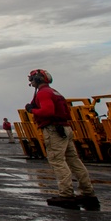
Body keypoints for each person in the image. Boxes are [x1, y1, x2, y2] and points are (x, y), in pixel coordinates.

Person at [26, 69, 99, 211]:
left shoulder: (43, 93)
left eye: (32, 79)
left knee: (57, 161)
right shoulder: (54, 92)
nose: (30, 82)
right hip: (65, 128)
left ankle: (66, 194)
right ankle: (88, 192)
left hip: (54, 130)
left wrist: (32, 110)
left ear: (38, 79)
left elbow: (48, 111)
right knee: (74, 160)